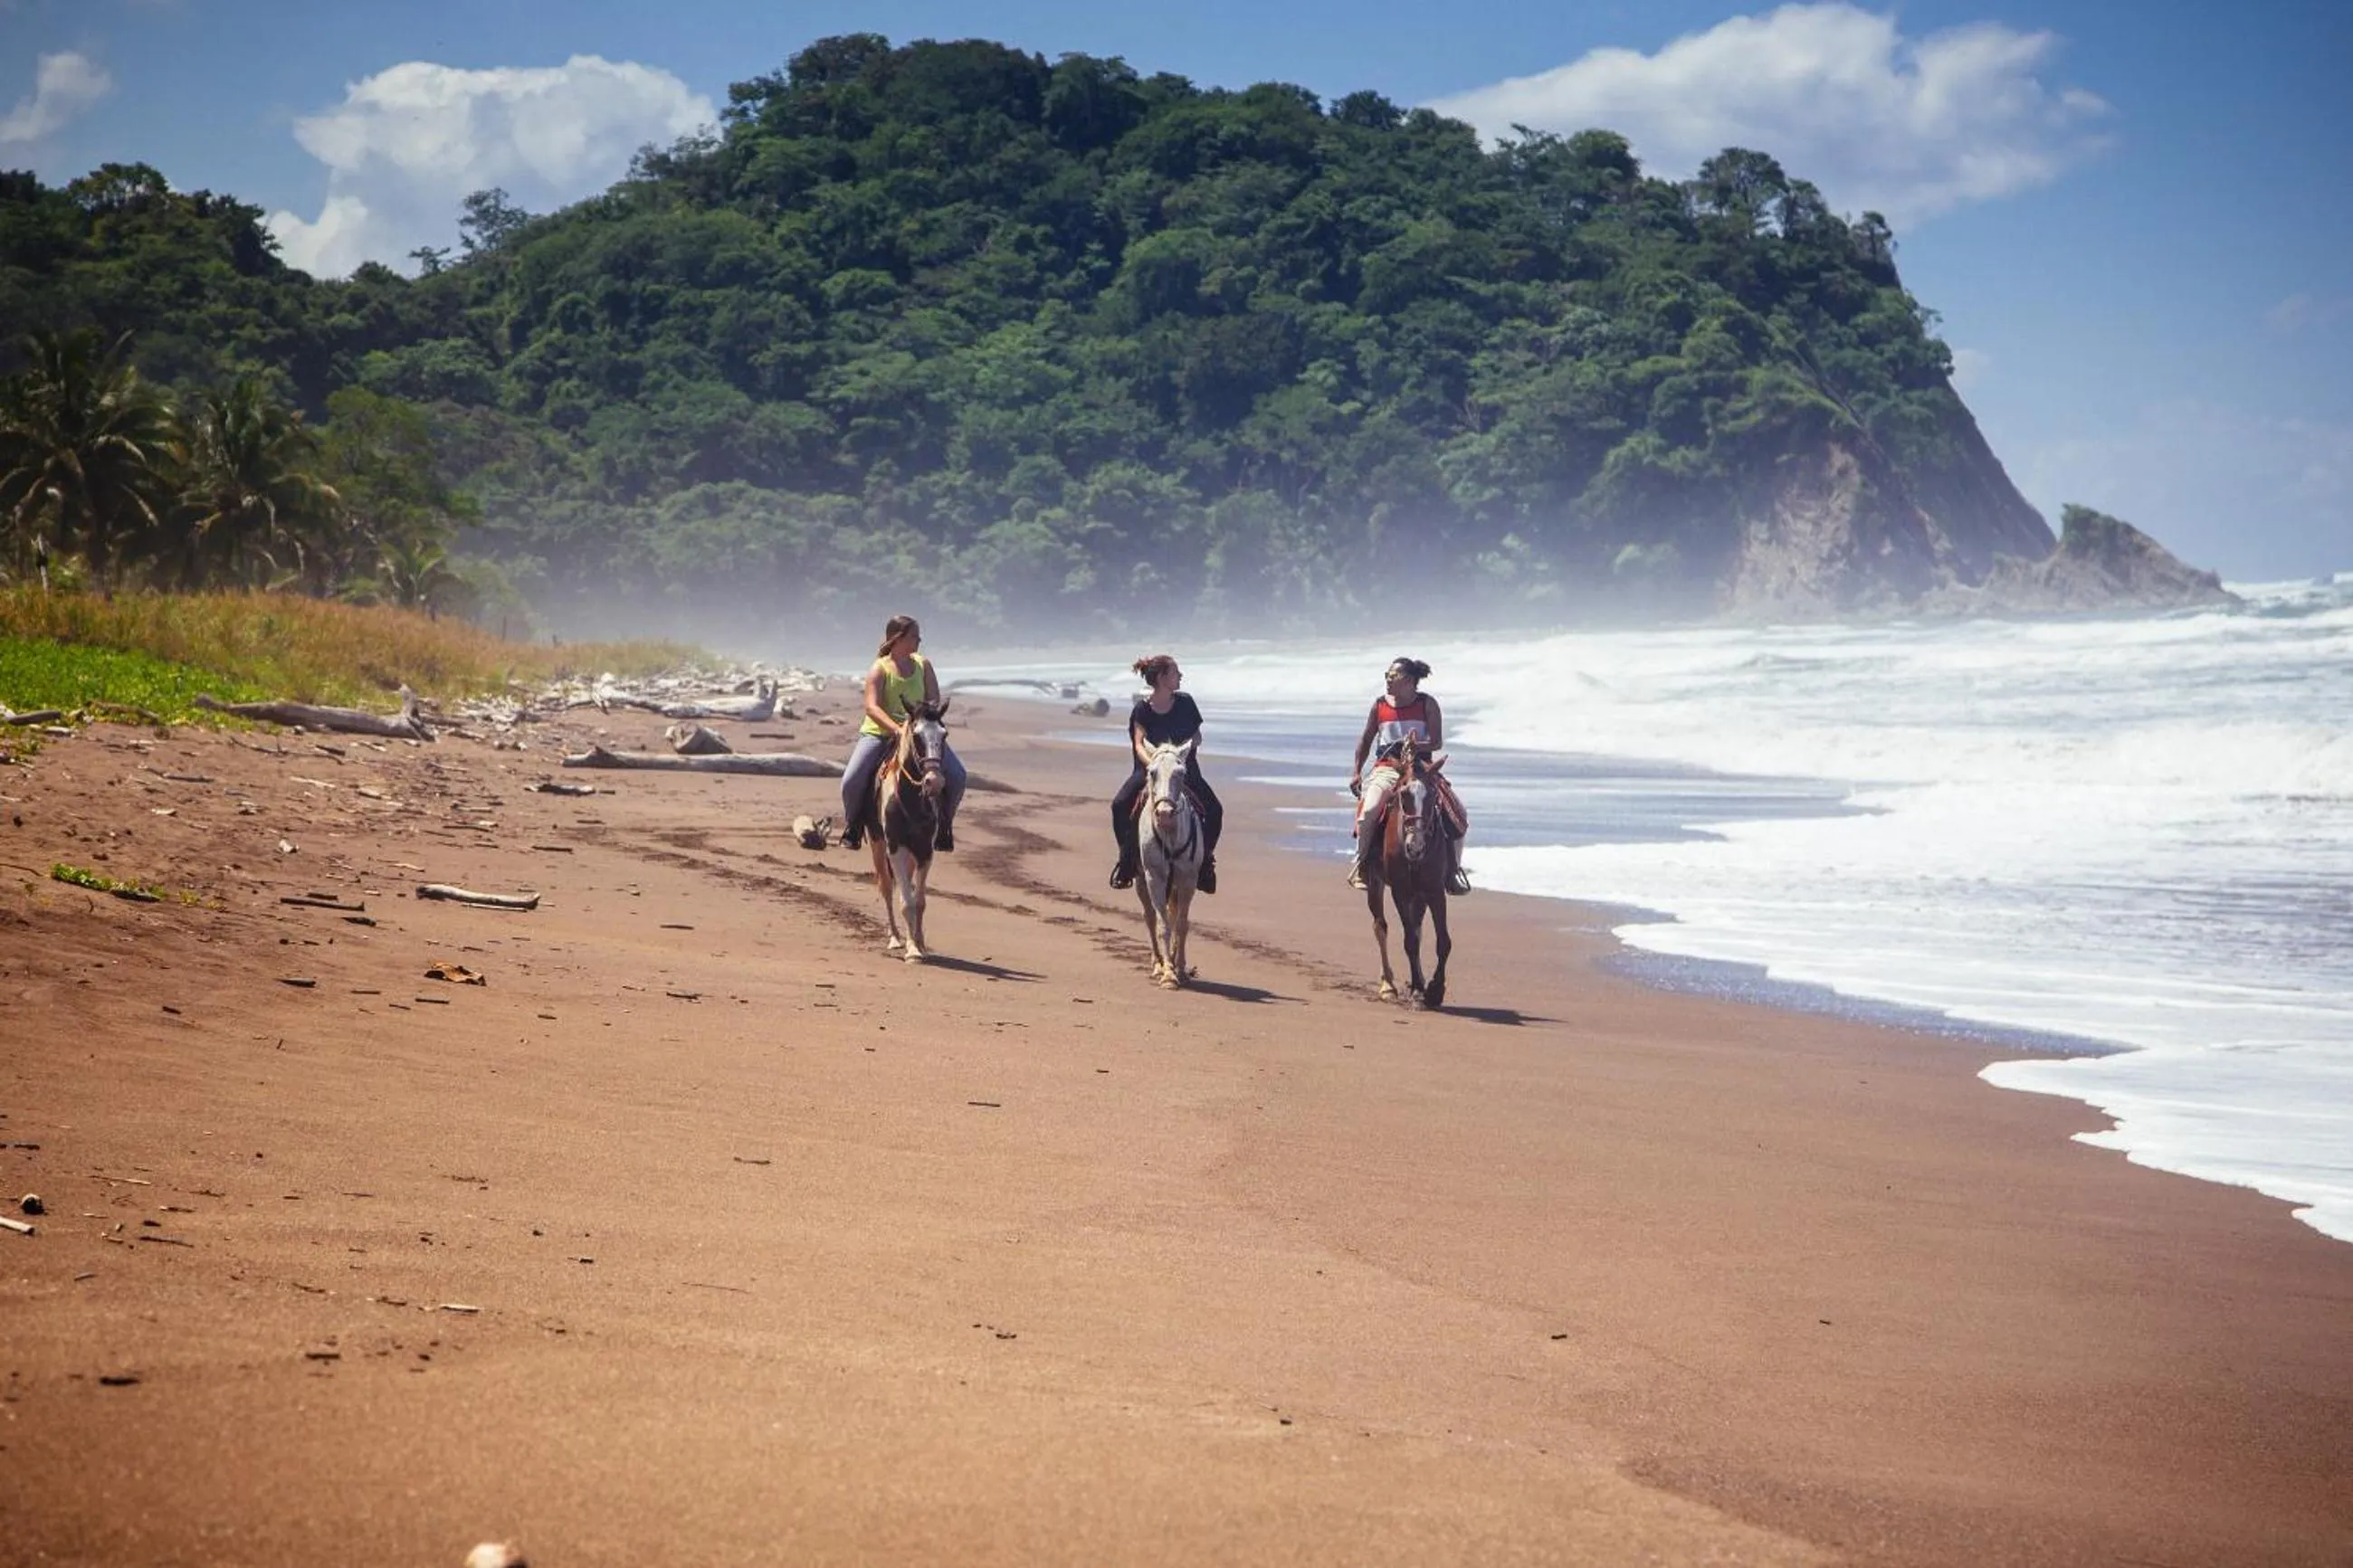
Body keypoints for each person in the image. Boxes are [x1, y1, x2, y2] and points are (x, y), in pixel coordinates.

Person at [841, 613, 967, 854]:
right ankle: (853, 825)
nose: (918, 641)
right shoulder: (880, 669)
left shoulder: (923, 665)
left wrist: (919, 724)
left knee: (958, 775)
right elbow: (872, 707)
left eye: (919, 637)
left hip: (919, 733)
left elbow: (933, 699)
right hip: (880, 733)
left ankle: (945, 826)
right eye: (913, 636)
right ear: (897, 639)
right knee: (851, 780)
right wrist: (898, 729)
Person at [1348, 655, 1471, 895]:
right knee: (1370, 811)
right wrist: (1356, 771)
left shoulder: (1427, 704)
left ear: (1409, 681)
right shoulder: (1380, 705)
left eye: (1393, 677)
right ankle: (1362, 864)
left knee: (1457, 812)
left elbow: (1436, 742)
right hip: (1387, 768)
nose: (1388, 680)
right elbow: (1366, 739)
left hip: (1421, 770)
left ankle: (1453, 871)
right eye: (1387, 676)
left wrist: (1417, 747)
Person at [1110, 652, 1223, 895]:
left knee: (1215, 810)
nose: (1180, 676)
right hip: (1149, 771)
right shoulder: (1142, 709)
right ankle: (1126, 862)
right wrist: (1157, 765)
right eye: (1175, 672)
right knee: (1119, 805)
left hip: (1185, 771)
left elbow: (1196, 736)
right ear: (1162, 678)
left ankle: (1205, 864)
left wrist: (1177, 758)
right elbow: (1138, 743)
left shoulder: (1186, 703)